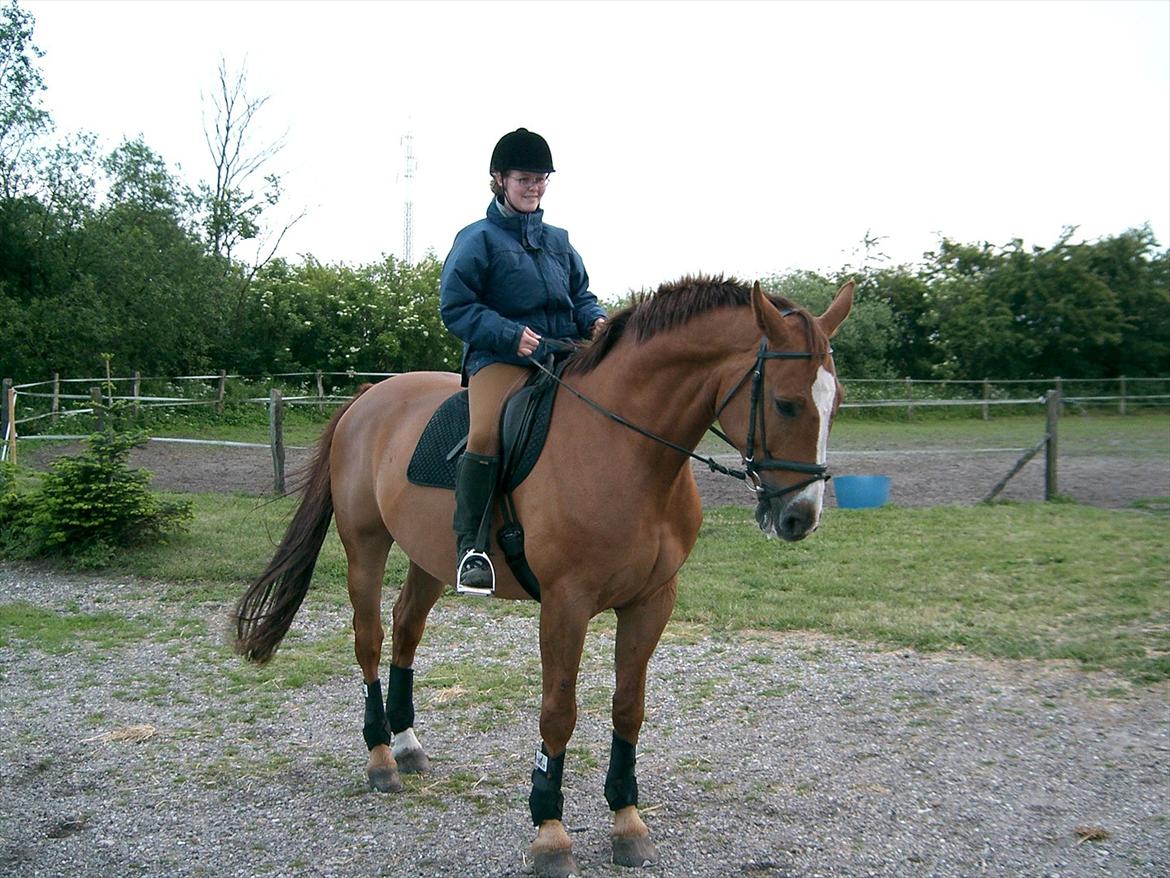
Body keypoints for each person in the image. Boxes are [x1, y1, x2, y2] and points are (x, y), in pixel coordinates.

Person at [439, 128, 607, 595]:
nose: (534, 187)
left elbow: (581, 296)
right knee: (487, 432)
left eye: (541, 179)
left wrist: (596, 321)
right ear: (499, 180)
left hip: (564, 353)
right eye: (524, 179)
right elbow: (455, 306)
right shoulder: (477, 240)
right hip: (501, 358)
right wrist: (512, 335)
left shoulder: (560, 241)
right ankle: (470, 549)